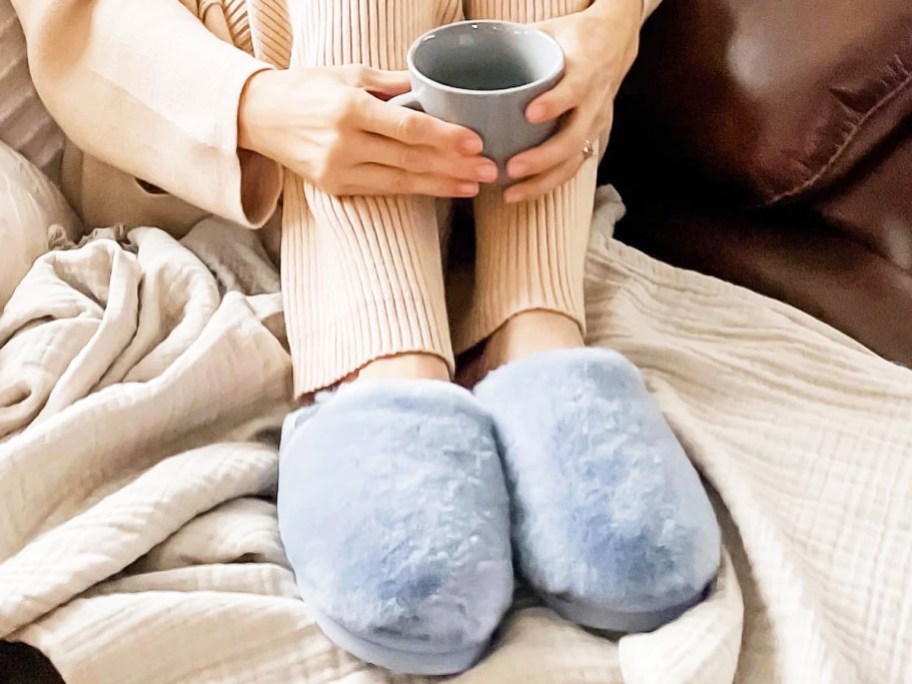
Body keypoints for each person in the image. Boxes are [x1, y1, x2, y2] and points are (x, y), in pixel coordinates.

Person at [12, 0, 721, 675]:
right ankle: (379, 358)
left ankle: (531, 326)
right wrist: (257, 107)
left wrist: (612, 23)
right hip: (230, 122)